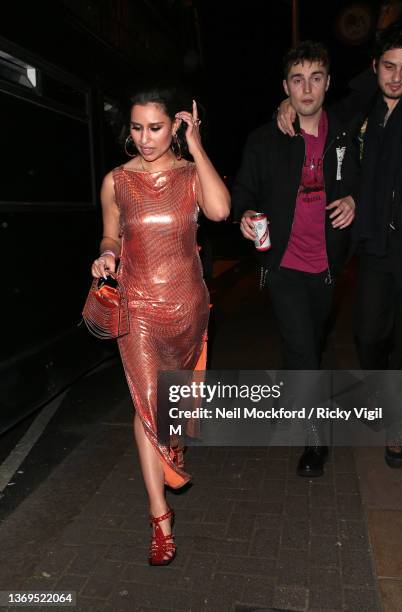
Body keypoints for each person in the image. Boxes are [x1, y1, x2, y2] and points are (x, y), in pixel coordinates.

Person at [90, 85, 230, 565]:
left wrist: (198, 145)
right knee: (146, 403)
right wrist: (107, 253)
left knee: (173, 404)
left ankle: (172, 444)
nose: (145, 138)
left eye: (156, 127)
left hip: (188, 306)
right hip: (139, 309)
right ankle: (160, 519)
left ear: (175, 125)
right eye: (136, 127)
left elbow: (219, 211)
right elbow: (111, 231)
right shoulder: (117, 181)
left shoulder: (192, 175)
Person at [277, 21, 402, 468]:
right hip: (373, 249)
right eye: (388, 67)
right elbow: (316, 107)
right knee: (369, 335)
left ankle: (398, 426)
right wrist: (287, 104)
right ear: (376, 68)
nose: (397, 76)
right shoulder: (360, 112)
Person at [233, 41, 359, 477]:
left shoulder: (346, 134)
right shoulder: (265, 140)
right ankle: (316, 438)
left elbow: (364, 183)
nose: (307, 88)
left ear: (328, 83)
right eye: (297, 79)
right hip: (282, 267)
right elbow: (242, 195)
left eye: (316, 77)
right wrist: (245, 214)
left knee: (304, 344)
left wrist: (355, 201)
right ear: (285, 86)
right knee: (305, 351)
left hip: (327, 268)